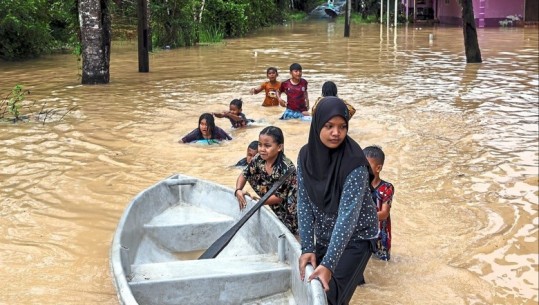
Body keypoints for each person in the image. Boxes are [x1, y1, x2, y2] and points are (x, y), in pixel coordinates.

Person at [297, 97, 378, 305]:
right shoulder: (305, 155)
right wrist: (307, 247)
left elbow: (347, 218)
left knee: (330, 298)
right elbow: (304, 203)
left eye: (342, 127)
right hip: (325, 234)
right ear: (317, 125)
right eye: (329, 126)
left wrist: (329, 265)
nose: (336, 133)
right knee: (312, 289)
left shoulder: (355, 163)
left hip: (356, 237)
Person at [234, 126, 298, 235]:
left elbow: (279, 197)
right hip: (270, 197)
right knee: (251, 172)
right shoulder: (258, 158)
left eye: (267, 146)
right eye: (260, 145)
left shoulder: (286, 168)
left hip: (289, 205)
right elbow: (244, 174)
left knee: (291, 229)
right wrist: (238, 190)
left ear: (279, 147)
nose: (262, 149)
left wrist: (258, 201)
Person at [363, 145, 395, 261]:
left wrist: (362, 217)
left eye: (367, 165)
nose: (363, 168)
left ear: (378, 168)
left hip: (381, 235)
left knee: (382, 262)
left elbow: (385, 213)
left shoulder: (387, 188)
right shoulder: (360, 186)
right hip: (364, 232)